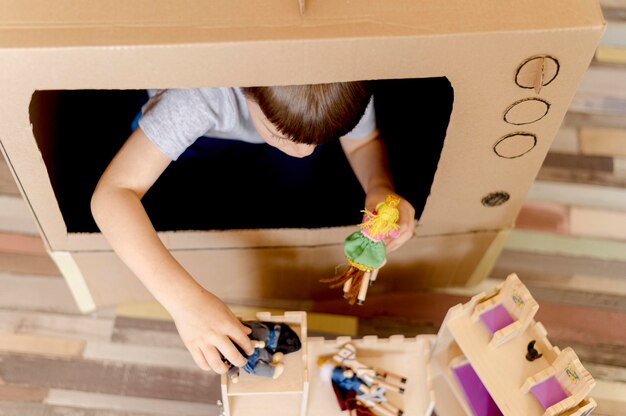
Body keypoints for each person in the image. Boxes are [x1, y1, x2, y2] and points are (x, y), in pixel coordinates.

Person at [90, 82, 416, 374]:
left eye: (321, 140)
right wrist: (186, 304)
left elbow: (361, 143)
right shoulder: (198, 96)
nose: (304, 152)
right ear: (247, 89)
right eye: (283, 136)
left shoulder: (345, 86)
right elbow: (112, 195)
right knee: (173, 201)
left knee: (301, 179)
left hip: (261, 137)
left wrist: (379, 185)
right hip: (196, 143)